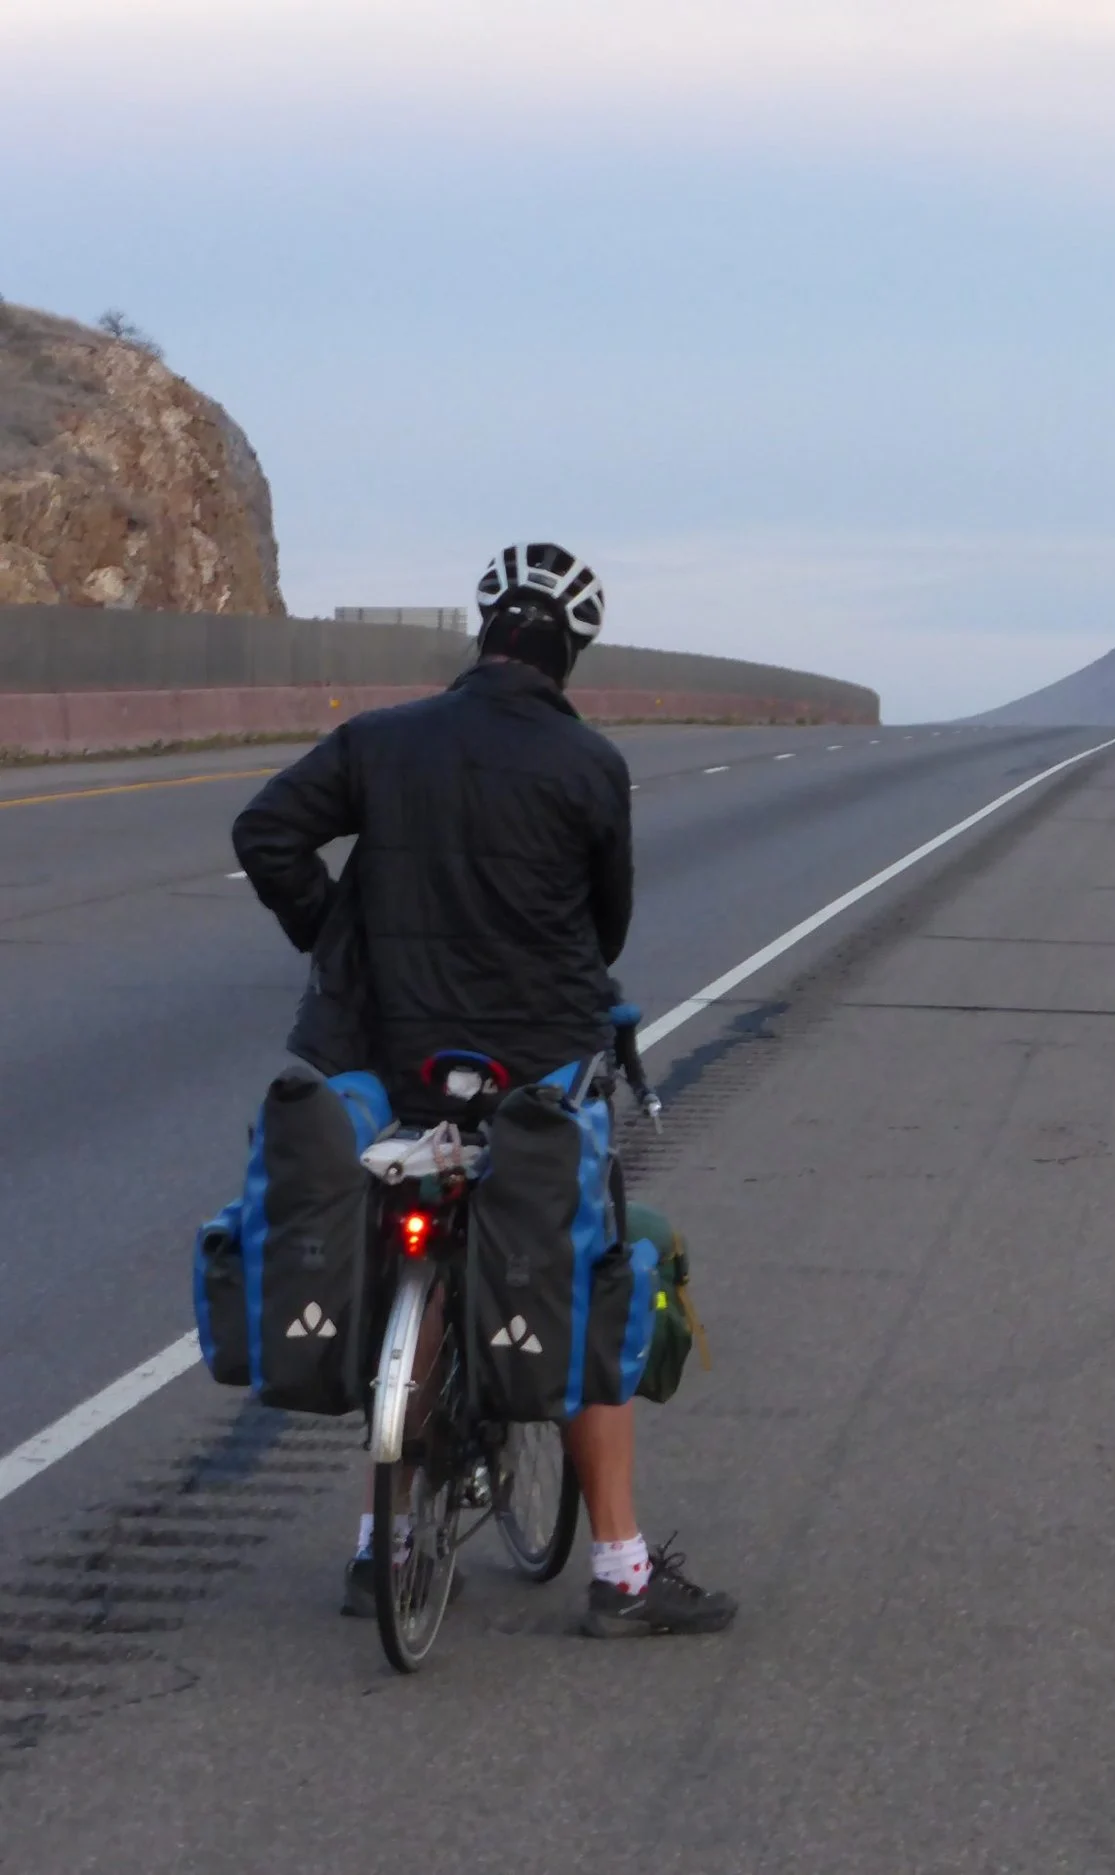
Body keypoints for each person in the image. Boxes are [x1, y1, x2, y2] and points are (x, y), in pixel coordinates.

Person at [231, 542, 735, 1640]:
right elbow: (606, 927)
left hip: (390, 1049)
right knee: (591, 1269)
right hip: (531, 1062)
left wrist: (336, 938)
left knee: (384, 1245)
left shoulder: (380, 739)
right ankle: (622, 1572)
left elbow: (264, 832)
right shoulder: (589, 766)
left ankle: (383, 1542)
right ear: (572, 656)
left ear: (483, 634)